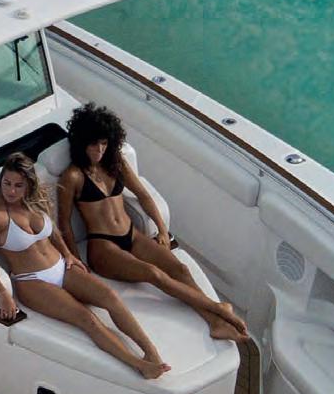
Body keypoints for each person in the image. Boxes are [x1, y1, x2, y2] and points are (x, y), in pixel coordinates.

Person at [58, 103, 248, 343]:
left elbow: (144, 195)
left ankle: (215, 322)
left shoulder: (115, 163)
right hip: (103, 247)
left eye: (104, 143)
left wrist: (163, 230)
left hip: (132, 234)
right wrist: (76, 262)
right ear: (82, 142)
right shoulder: (72, 176)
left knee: (180, 270)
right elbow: (64, 223)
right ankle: (218, 309)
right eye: (94, 144)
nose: (100, 150)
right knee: (153, 274)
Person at [0, 153, 170, 379]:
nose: (11, 190)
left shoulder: (35, 201)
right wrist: (3, 294)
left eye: (18, 185)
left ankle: (151, 351)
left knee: (111, 297)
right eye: (6, 183)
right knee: (86, 318)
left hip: (61, 266)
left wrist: (68, 254)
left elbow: (53, 232)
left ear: (28, 184)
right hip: (32, 281)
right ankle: (138, 364)